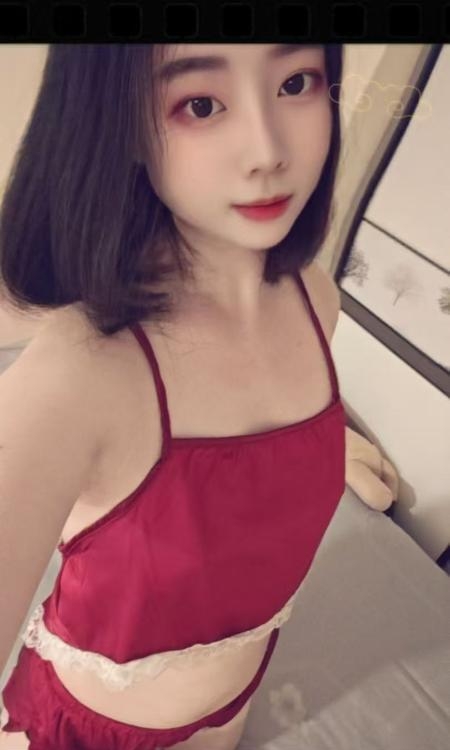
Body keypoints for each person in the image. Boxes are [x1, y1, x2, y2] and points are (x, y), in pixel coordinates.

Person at [0, 43, 345, 750]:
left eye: (296, 83)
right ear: (121, 124)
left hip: (236, 705)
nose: (268, 152)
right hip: (95, 731)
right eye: (201, 104)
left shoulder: (320, 301)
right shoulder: (78, 375)